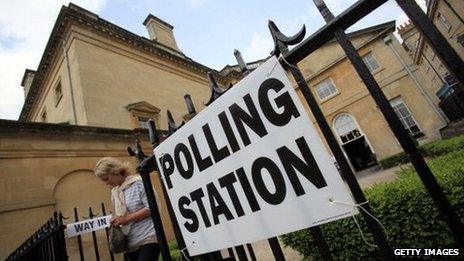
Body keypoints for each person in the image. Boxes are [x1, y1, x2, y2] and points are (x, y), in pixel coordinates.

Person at [94, 157, 160, 261]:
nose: (106, 183)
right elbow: (120, 215)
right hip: (129, 243)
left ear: (114, 171)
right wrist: (116, 219)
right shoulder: (115, 191)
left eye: (106, 179)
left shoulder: (138, 183)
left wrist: (126, 219)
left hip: (148, 238)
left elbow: (152, 207)